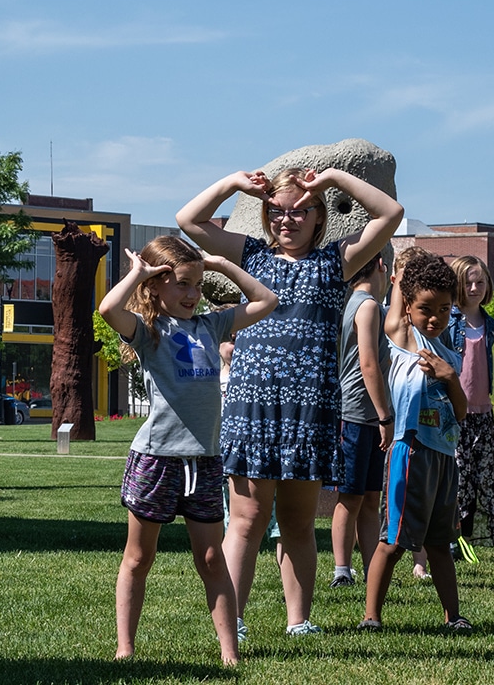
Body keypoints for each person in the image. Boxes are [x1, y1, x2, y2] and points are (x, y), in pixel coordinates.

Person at [178, 167, 403, 638]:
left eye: (300, 211)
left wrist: (334, 178)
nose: (287, 219)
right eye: (277, 211)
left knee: (298, 523)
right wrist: (233, 185)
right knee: (246, 520)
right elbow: (188, 220)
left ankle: (298, 621)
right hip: (253, 406)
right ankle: (233, 622)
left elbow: (391, 213)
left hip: (310, 410)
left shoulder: (336, 261)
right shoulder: (252, 255)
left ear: (319, 216)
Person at [98, 236, 278, 667]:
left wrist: (221, 265)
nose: (193, 294)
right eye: (182, 283)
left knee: (212, 558)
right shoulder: (148, 331)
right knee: (139, 558)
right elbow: (107, 309)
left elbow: (267, 300)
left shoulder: (211, 326)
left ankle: (230, 654)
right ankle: (125, 648)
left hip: (205, 461)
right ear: (156, 286)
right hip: (157, 460)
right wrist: (138, 274)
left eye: (197, 285)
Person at [361, 252, 470, 632]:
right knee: (393, 541)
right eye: (425, 309)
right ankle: (371, 617)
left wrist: (449, 377)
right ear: (407, 305)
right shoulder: (402, 335)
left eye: (444, 309)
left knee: (440, 543)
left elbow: (461, 412)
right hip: (410, 450)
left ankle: (453, 617)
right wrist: (403, 271)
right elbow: (400, 294)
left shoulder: (448, 355)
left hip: (444, 455)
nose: (435, 318)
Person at [331, 249, 392, 589]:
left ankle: (371, 569)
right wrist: (385, 415)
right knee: (351, 496)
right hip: (356, 413)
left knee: (370, 497)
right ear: (381, 265)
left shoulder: (364, 304)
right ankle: (342, 569)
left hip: (367, 415)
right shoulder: (366, 306)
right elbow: (368, 364)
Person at [441, 255, 494, 552]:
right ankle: (450, 539)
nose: (475, 288)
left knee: (481, 478)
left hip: (483, 411)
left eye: (480, 282)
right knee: (456, 477)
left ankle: (467, 537)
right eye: (468, 283)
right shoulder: (449, 319)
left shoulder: (491, 325)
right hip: (454, 411)